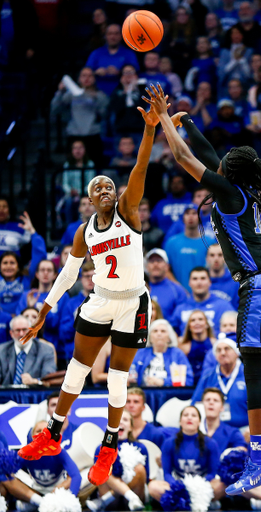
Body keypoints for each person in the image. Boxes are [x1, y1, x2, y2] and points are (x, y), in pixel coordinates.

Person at [144, 84, 261, 499]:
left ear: (228, 176)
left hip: (258, 285)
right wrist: (191, 123)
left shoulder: (230, 194)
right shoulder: (246, 193)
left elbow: (184, 157)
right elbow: (208, 156)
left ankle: (258, 463)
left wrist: (164, 119)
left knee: (255, 370)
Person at [17, 103, 162, 487]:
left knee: (117, 377)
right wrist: (44, 311)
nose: (104, 189)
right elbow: (67, 274)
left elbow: (141, 168)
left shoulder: (129, 211)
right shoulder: (85, 231)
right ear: (88, 198)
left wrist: (149, 130)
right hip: (100, 299)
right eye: (96, 186)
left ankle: (110, 446)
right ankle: (51, 433)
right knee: (78, 371)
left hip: (133, 301)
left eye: (108, 185)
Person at [148, 406, 221, 504]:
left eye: (194, 415)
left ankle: (186, 503)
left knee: (222, 484)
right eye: (186, 415)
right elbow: (167, 474)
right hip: (178, 485)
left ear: (199, 422)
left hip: (203, 485)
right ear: (180, 421)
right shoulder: (169, 443)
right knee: (153, 486)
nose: (189, 418)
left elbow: (212, 473)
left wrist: (197, 485)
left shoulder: (211, 443)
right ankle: (194, 503)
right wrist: (179, 486)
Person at [86, 410, 148, 512]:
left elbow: (145, 479)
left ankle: (103, 501)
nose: (121, 422)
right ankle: (130, 496)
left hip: (135, 500)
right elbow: (97, 478)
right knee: (102, 470)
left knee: (140, 469)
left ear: (131, 427)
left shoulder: (141, 447)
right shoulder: (101, 448)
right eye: (117, 420)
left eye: (125, 419)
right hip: (110, 499)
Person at [51, 67, 109, 166]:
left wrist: (95, 99)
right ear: (79, 78)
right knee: (73, 167)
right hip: (74, 135)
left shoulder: (100, 95)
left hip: (93, 135)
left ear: (94, 79)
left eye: (90, 76)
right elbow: (55, 110)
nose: (87, 78)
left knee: (94, 168)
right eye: (84, 75)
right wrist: (60, 92)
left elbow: (105, 115)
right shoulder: (71, 95)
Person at [15, 259, 69, 364]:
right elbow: (19, 322)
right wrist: (29, 307)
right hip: (28, 348)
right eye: (42, 270)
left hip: (56, 349)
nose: (45, 273)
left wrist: (43, 312)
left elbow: (59, 325)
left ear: (55, 275)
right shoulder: (27, 295)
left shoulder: (62, 296)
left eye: (49, 270)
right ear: (36, 274)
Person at [191, 334, 248, 428]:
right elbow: (196, 404)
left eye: (227, 349)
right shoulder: (208, 376)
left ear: (236, 353)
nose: (222, 353)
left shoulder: (249, 375)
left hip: (244, 430)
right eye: (218, 350)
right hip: (213, 429)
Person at [0, 212, 46, 315]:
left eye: (12, 263)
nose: (8, 266)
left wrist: (32, 232)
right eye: (5, 263)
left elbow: (40, 255)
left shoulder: (27, 279)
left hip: (22, 325)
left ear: (18, 266)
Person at [20, 420, 81, 497]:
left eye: (47, 430)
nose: (42, 433)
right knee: (22, 507)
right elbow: (9, 472)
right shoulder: (25, 453)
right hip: (36, 489)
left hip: (58, 489)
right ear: (31, 437)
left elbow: (76, 476)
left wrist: (70, 499)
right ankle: (38, 501)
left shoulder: (60, 452)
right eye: (38, 431)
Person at [170, 266, 235, 335]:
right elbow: (172, 332)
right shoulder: (181, 308)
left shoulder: (223, 307)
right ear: (189, 283)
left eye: (203, 278)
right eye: (195, 279)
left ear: (210, 282)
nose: (199, 282)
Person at [129, 319, 194, 387]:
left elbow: (188, 380)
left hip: (171, 394)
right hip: (143, 394)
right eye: (155, 331)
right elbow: (131, 374)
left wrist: (163, 382)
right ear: (150, 337)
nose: (159, 334)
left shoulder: (177, 354)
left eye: (163, 331)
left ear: (169, 337)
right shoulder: (141, 353)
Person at [0, 315, 56, 385]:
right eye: (17, 330)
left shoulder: (46, 350)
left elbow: (49, 379)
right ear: (11, 333)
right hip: (6, 395)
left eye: (24, 330)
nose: (21, 334)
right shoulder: (2, 351)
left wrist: (34, 381)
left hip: (35, 394)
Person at [86, 24, 139, 96]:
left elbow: (135, 73)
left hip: (122, 93)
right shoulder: (96, 53)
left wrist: (119, 72)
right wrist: (96, 72)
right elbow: (86, 72)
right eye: (110, 34)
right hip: (97, 93)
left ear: (121, 36)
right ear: (105, 36)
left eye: (116, 34)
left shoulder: (129, 54)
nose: (113, 37)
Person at [164, 206, 209, 291]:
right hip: (178, 295)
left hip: (204, 292)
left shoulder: (209, 242)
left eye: (194, 213)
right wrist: (181, 291)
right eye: (187, 213)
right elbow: (166, 270)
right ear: (183, 218)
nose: (191, 216)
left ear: (200, 217)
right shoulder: (171, 243)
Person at [59, 261, 95, 364]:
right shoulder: (71, 304)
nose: (90, 280)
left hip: (100, 355)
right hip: (75, 355)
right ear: (81, 279)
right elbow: (63, 335)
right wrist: (76, 320)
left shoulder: (107, 301)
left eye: (94, 276)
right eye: (87, 276)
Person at [202, 387, 247, 454]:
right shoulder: (193, 430)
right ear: (202, 404)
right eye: (208, 400)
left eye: (215, 400)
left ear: (222, 408)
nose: (211, 403)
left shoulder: (232, 433)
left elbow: (242, 450)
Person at [146, 248, 187, 323]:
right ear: (146, 267)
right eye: (152, 261)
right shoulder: (141, 289)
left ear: (167, 266)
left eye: (159, 261)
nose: (155, 264)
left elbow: (182, 317)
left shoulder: (177, 290)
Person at [179, 310, 215, 384]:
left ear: (207, 324)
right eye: (193, 320)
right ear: (189, 326)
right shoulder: (183, 347)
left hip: (211, 383)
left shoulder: (215, 343)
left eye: (200, 319)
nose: (197, 322)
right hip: (191, 384)